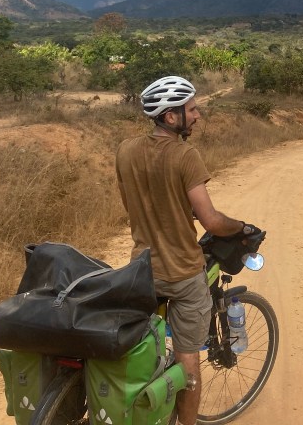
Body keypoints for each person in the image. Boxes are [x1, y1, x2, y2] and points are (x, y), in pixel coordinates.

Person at [115, 75, 254, 425]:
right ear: (171, 116)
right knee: (187, 354)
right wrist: (241, 227)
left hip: (141, 271)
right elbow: (212, 222)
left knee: (140, 344)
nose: (198, 115)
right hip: (182, 274)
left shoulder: (125, 150)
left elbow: (131, 205)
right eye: (191, 109)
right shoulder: (185, 155)